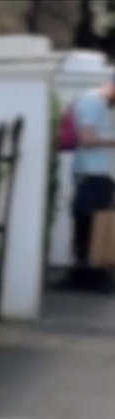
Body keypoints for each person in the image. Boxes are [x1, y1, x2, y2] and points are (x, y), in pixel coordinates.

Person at [71, 74, 115, 283]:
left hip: (100, 174)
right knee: (89, 226)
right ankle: (85, 274)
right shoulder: (93, 102)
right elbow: (86, 139)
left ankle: (93, 272)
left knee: (97, 225)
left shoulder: (103, 105)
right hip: (91, 174)